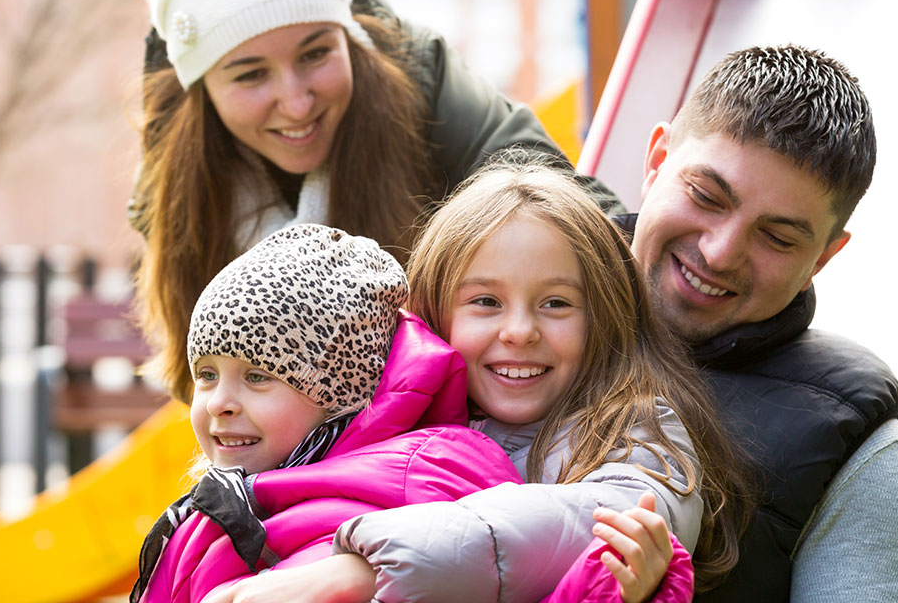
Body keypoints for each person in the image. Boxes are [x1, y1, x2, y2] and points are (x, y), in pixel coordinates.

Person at [207, 156, 752, 602]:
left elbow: (608, 519)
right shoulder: (381, 420)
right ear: (437, 313)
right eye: (485, 302)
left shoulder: (634, 431)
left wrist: (365, 572)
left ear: (606, 315)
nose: (518, 331)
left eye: (556, 303)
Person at [131, 0, 624, 404]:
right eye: (251, 75)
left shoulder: (416, 79)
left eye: (315, 53)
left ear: (347, 38)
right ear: (201, 88)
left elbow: (567, 209)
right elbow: (195, 370)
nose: (297, 103)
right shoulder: (179, 171)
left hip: (448, 421)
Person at [131, 223, 681, 603]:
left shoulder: (423, 469)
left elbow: (490, 569)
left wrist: (601, 588)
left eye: (259, 377)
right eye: (206, 375)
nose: (221, 402)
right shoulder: (245, 492)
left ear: (338, 391)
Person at [621, 44, 898, 601]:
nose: (720, 253)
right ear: (656, 161)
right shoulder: (493, 309)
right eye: (705, 195)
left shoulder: (859, 456)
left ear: (821, 259)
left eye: (777, 237)